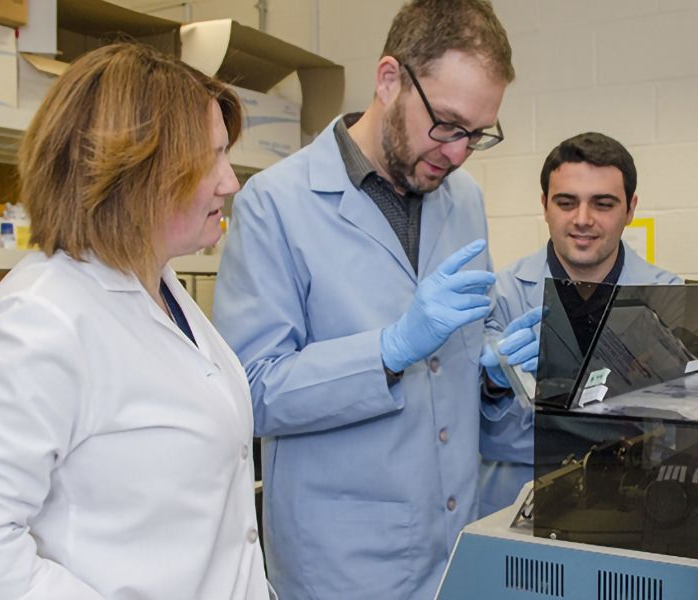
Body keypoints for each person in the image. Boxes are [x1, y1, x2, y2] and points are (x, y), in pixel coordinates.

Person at [0, 43, 271, 600]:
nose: (230, 182)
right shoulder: (38, 320)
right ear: (134, 168)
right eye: (210, 158)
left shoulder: (160, 285)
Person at [212, 1, 536, 597]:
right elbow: (253, 392)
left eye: (477, 134)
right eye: (446, 123)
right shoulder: (275, 204)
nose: (459, 151)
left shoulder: (461, 199)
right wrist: (388, 350)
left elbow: (461, 350)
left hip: (453, 544)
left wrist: (492, 376)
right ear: (390, 79)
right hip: (342, 563)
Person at [477, 132, 684, 517]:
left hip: (628, 498)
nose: (583, 219)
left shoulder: (666, 294)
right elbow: (480, 426)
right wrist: (495, 382)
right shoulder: (501, 292)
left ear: (630, 208)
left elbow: (672, 426)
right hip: (514, 500)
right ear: (545, 206)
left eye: (602, 204)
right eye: (566, 202)